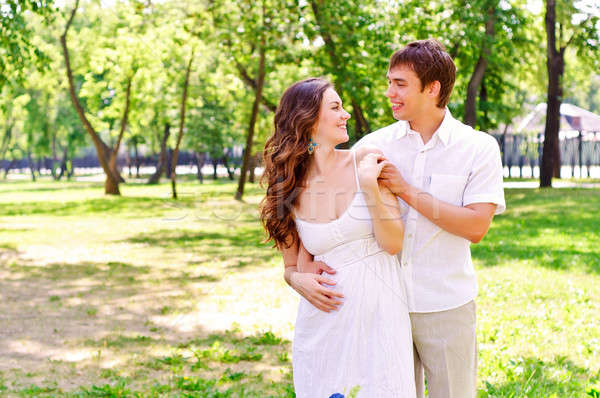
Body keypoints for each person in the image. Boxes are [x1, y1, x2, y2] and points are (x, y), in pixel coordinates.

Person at [350, 39, 506, 397]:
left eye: (400, 84)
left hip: (446, 304)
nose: (389, 92)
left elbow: (475, 227)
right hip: (384, 305)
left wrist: (406, 190)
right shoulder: (372, 146)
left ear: (433, 88)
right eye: (389, 82)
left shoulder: (478, 149)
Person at [260, 78, 416, 397]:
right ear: (307, 119)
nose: (345, 114)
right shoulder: (289, 185)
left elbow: (392, 243)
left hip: (379, 317)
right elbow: (292, 266)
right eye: (335, 107)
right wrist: (295, 280)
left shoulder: (367, 160)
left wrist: (370, 187)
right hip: (323, 323)